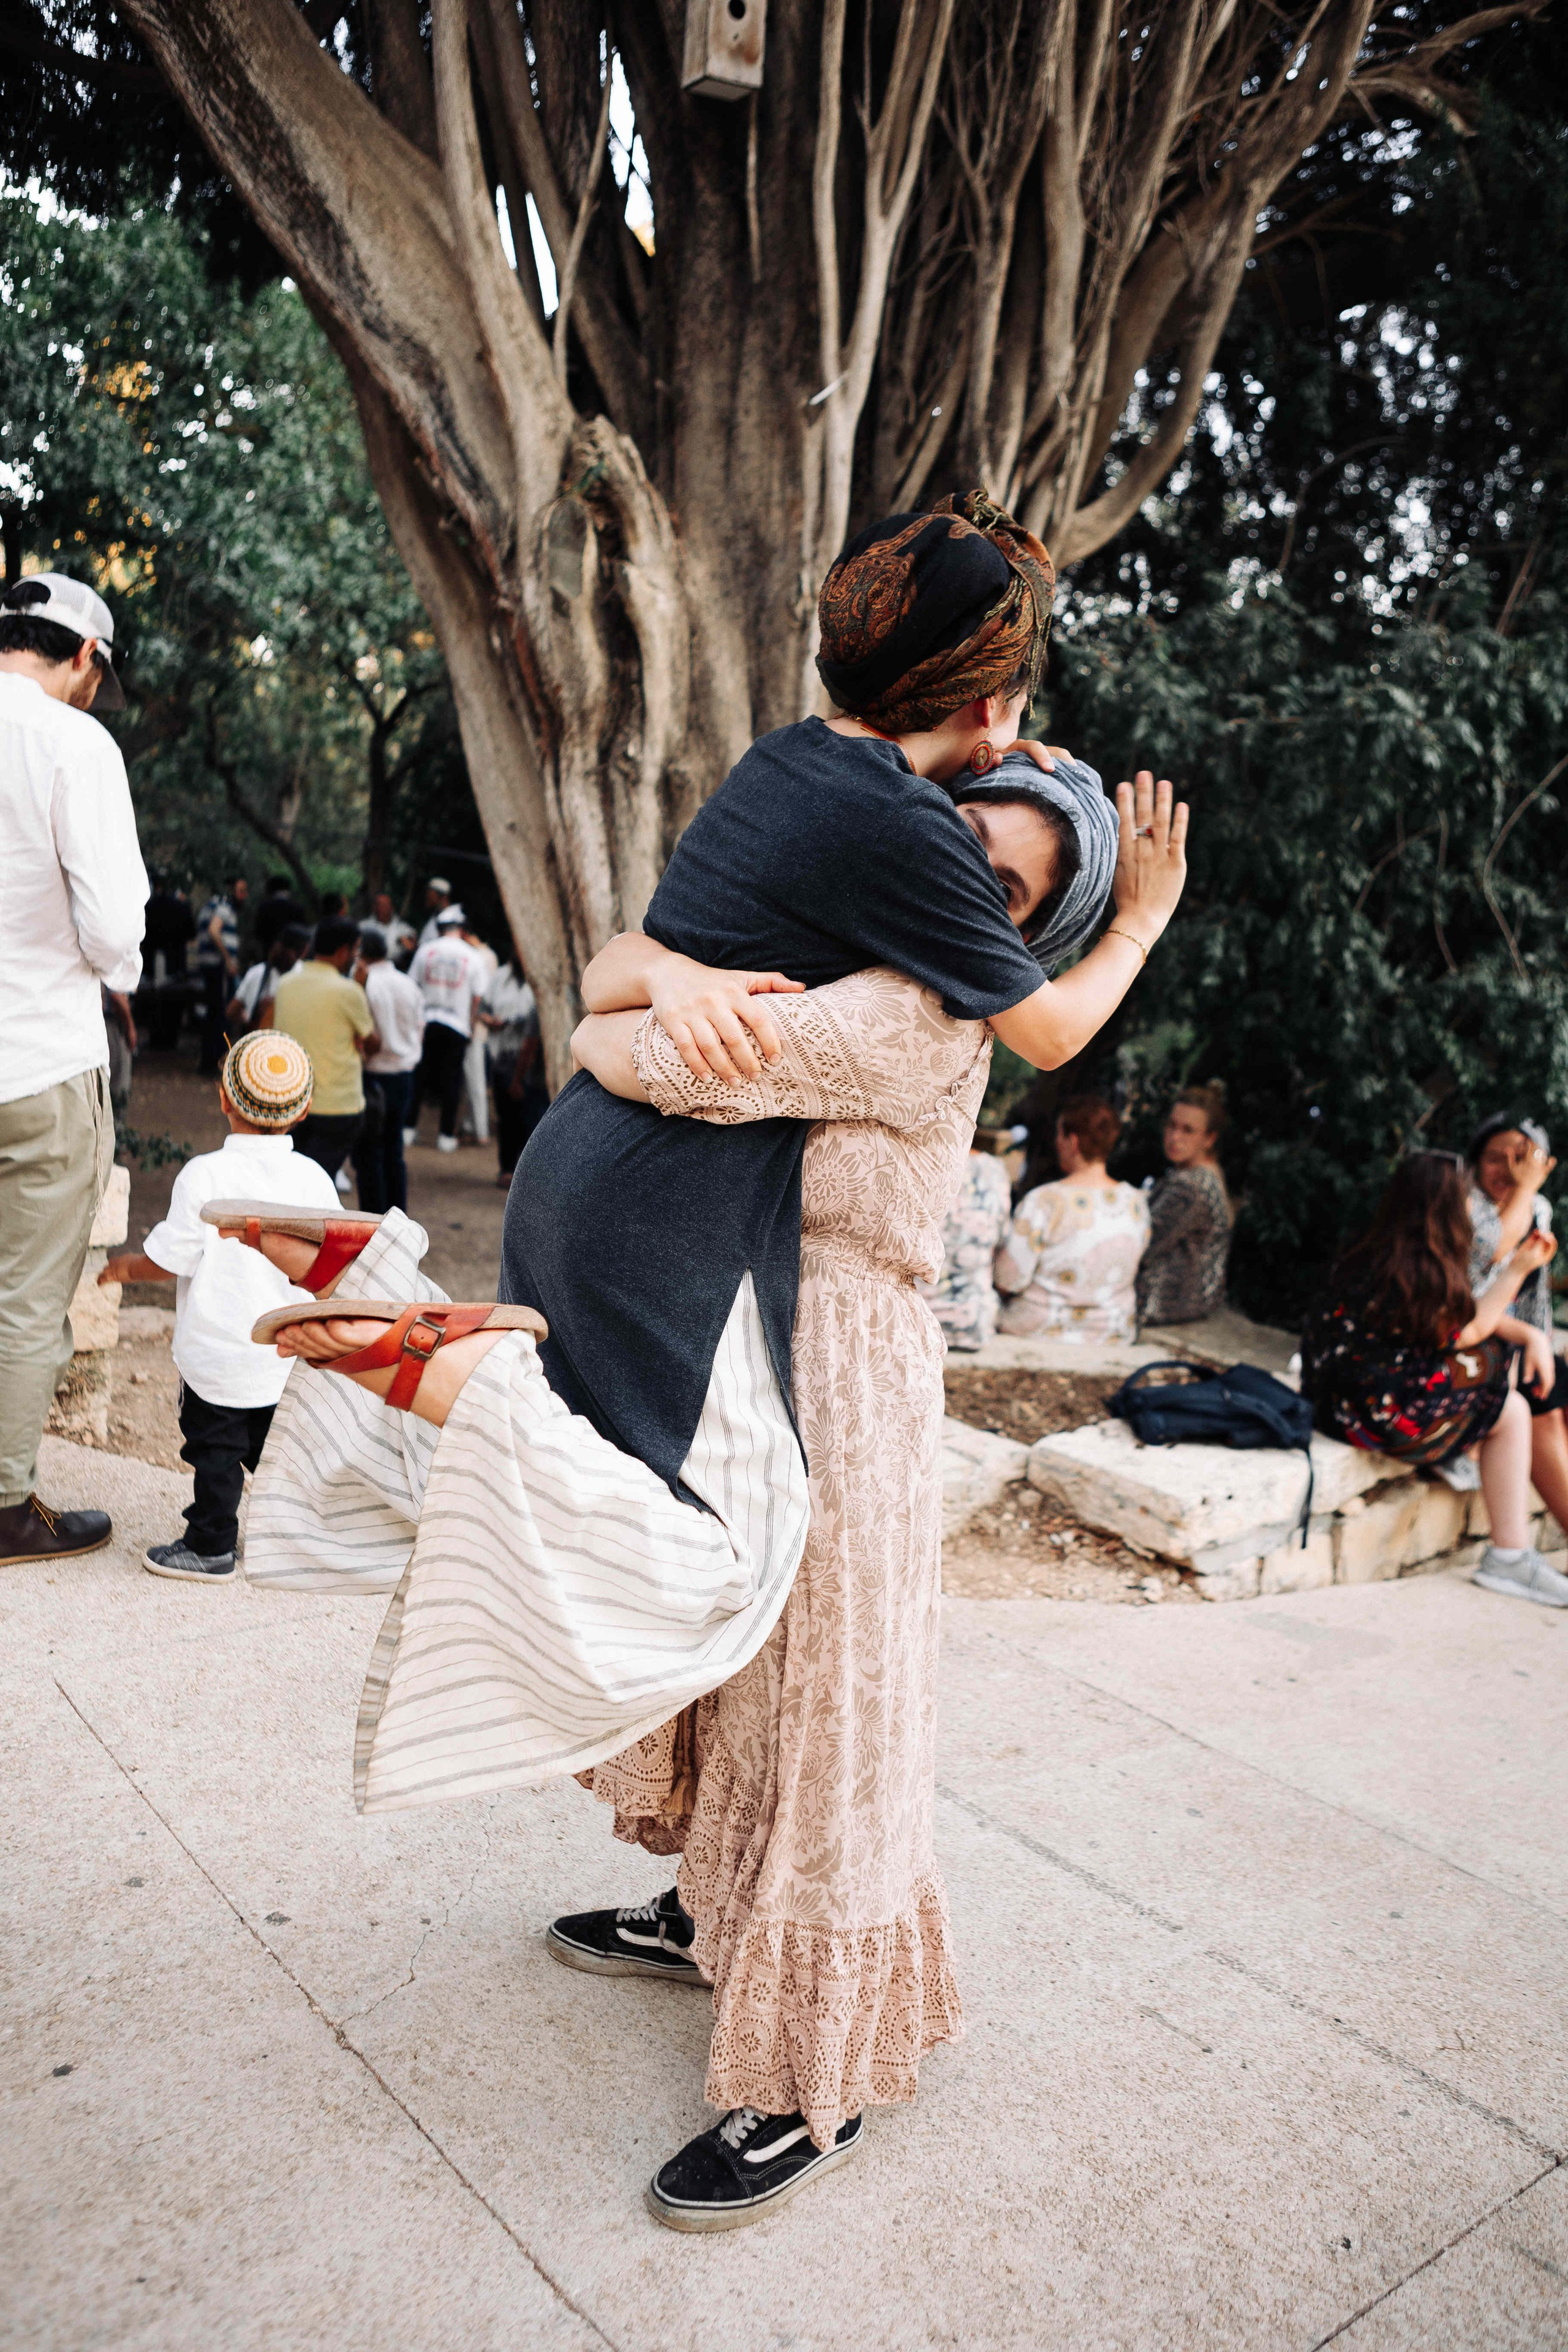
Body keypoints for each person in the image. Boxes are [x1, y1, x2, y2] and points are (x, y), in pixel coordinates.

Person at [239, 491, 1186, 2230]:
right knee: (740, 1666)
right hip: (757, 1333)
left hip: (848, 1367)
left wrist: (651, 985)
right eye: (971, 840)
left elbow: (630, 1039)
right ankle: (703, 1916)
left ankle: (812, 2079)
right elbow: (622, 988)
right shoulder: (859, 873)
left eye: (1013, 886)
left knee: (830, 1712)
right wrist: (656, 972)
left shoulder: (911, 1009)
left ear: (1030, 928)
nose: (973, 875)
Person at [0, 571, 146, 1567]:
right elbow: (111, 927)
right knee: (24, 1297)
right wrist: (121, 968)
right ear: (86, 658)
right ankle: (6, 1505)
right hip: (38, 1061)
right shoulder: (73, 743)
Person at [99, 1034, 339, 1581]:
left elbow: (173, 1258)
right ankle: (294, 1540)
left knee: (216, 1454)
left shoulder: (205, 1174)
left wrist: (127, 1269)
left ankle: (210, 1544)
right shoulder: (316, 1179)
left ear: (224, 1098)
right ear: (303, 1109)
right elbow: (329, 1263)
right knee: (279, 1456)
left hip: (219, 1354)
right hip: (286, 1355)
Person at [1301, 1152, 1567, 1606]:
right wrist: (1518, 1270)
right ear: (1448, 1206)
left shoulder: (1372, 1252)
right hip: (1381, 1421)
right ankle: (1509, 1556)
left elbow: (1458, 1325)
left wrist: (1525, 1332)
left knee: (1496, 1368)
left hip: (1334, 1409)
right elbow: (1470, 1330)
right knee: (1510, 1401)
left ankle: (1510, 1550)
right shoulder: (1425, 1270)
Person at [1463, 1114, 1568, 1526]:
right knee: (1540, 1401)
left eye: (1524, 1159)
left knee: (1558, 1391)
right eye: (1496, 1158)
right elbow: (1485, 1259)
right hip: (1469, 1343)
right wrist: (1525, 1187)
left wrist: (1540, 1339)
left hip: (1511, 1341)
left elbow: (1531, 1293)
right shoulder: (1461, 1203)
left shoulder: (1538, 1208)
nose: (1510, 1169)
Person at [995, 1095, 1150, 1341]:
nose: (1056, 1142)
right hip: (1112, 1330)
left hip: (1041, 1328)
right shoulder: (1136, 1203)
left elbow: (1008, 1280)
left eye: (1059, 1135)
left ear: (1073, 1142)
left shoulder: (1045, 1201)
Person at [268, 918, 379, 1182]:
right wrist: (361, 988)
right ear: (343, 951)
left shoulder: (285, 983)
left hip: (291, 1103)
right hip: (337, 1107)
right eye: (355, 950)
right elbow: (373, 1044)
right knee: (318, 1180)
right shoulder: (349, 991)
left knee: (294, 1179)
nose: (356, 957)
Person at [1135, 1082, 1233, 1327]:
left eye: (1188, 1130)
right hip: (1191, 1298)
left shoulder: (1192, 1186)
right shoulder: (1203, 1174)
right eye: (1172, 1126)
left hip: (1167, 1300)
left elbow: (1143, 1246)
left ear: (1209, 1139)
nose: (1175, 1137)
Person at [355, 928, 424, 1213]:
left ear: (361, 954)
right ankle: (397, 1215)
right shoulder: (409, 984)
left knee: (370, 1152)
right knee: (394, 1150)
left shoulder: (365, 984)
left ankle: (373, 1218)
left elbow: (362, 1032)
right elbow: (421, 1027)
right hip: (404, 1073)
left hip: (374, 1074)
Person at [919, 1142, 1013, 1351]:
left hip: (914, 1324)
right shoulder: (994, 1170)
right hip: (975, 1323)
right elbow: (1001, 1238)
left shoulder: (911, 1159)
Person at [406, 908, 486, 1155]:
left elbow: (413, 987)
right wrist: (471, 1023)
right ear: (461, 930)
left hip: (427, 1021)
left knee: (419, 1077)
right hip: (457, 1025)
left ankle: (407, 1129)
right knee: (452, 1081)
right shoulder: (472, 956)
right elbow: (477, 996)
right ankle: (446, 1136)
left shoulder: (425, 951)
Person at [481, 952, 549, 1188]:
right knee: (508, 1116)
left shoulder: (543, 981)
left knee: (531, 1118)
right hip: (504, 1054)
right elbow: (482, 1010)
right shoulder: (499, 978)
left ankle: (525, 1173)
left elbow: (531, 1042)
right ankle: (508, 1168)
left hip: (535, 1065)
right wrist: (491, 1021)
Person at [195, 873, 247, 1075]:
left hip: (210, 967)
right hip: (218, 967)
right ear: (230, 890)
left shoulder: (212, 906)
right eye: (241, 891)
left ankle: (210, 1062)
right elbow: (214, 930)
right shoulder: (224, 907)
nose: (244, 896)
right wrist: (228, 959)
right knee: (220, 1015)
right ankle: (217, 1063)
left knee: (213, 1013)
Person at [142, 874, 197, 1050]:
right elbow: (191, 932)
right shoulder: (181, 906)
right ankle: (171, 1037)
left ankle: (156, 1036)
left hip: (152, 959)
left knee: (153, 997)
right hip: (175, 960)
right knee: (174, 999)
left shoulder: (149, 906)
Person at [458, 921, 500, 1146]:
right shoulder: (487, 955)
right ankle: (470, 1125)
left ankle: (481, 1130)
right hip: (478, 1025)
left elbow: (481, 996)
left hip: (476, 1026)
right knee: (471, 1080)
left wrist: (473, 1023)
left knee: (475, 1079)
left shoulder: (480, 956)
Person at [228, 924, 309, 1036]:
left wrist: (249, 1019)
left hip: (258, 1042)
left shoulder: (256, 972)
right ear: (305, 950)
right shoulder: (305, 973)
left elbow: (232, 1011)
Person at [253, 875, 307, 960]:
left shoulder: (264, 908)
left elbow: (258, 933)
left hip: (269, 956)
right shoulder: (297, 908)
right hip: (292, 957)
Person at [368, 891, 417, 966]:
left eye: (384, 905)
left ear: (391, 908)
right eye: (378, 905)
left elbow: (412, 948)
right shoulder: (365, 927)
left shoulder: (404, 929)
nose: (380, 908)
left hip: (396, 967)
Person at [415, 876, 453, 949]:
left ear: (443, 898)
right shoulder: (435, 916)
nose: (427, 897)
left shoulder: (451, 918)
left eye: (431, 896)